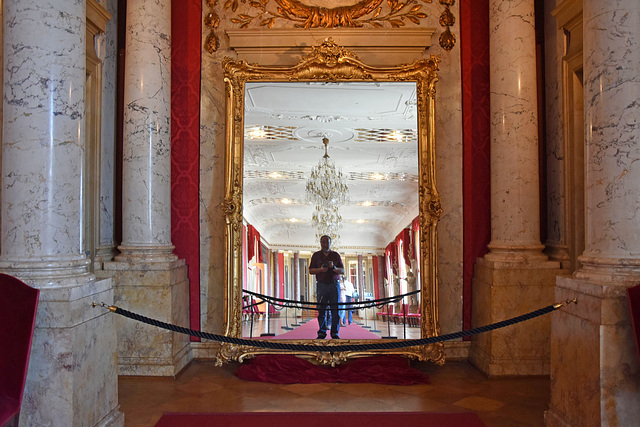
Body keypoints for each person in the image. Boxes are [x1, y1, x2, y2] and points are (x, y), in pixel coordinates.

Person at [309, 235, 345, 339]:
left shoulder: (336, 255)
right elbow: (311, 270)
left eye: (327, 242)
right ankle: (322, 332)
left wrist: (333, 267)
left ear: (330, 243)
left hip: (334, 285)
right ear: (320, 243)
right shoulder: (316, 255)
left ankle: (335, 333)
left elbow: (342, 271)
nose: (325, 244)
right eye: (323, 242)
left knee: (335, 311)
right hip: (321, 285)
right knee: (321, 310)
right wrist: (321, 270)